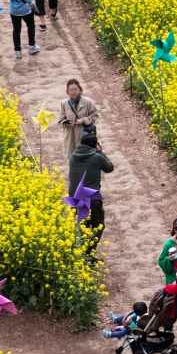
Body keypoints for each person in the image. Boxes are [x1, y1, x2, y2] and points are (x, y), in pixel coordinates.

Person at [68, 122, 113, 250]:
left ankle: (81, 254)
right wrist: (101, 152)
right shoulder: (97, 157)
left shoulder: (73, 157)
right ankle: (89, 253)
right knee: (98, 225)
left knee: (83, 227)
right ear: (94, 146)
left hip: (75, 198)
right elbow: (109, 168)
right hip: (92, 199)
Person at [59, 78, 98, 159]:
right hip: (70, 138)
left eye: (75, 89)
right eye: (71, 90)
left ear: (80, 90)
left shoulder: (88, 102)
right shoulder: (64, 104)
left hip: (85, 136)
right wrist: (66, 122)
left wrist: (84, 120)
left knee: (86, 159)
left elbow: (95, 116)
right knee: (73, 161)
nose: (73, 92)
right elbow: (61, 120)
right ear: (67, 92)